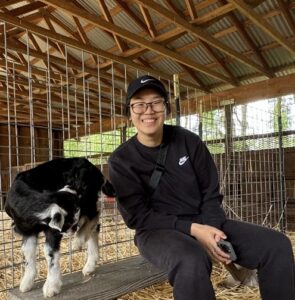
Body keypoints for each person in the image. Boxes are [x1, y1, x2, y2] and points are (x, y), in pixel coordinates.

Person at [108, 75, 295, 300]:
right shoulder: (121, 160)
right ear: (130, 112)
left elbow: (210, 192)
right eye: (139, 104)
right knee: (191, 258)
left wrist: (211, 231)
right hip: (157, 230)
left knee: (276, 245)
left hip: (205, 221)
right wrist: (194, 231)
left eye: (156, 102)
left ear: (165, 108)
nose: (148, 110)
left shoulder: (188, 141)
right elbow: (137, 218)